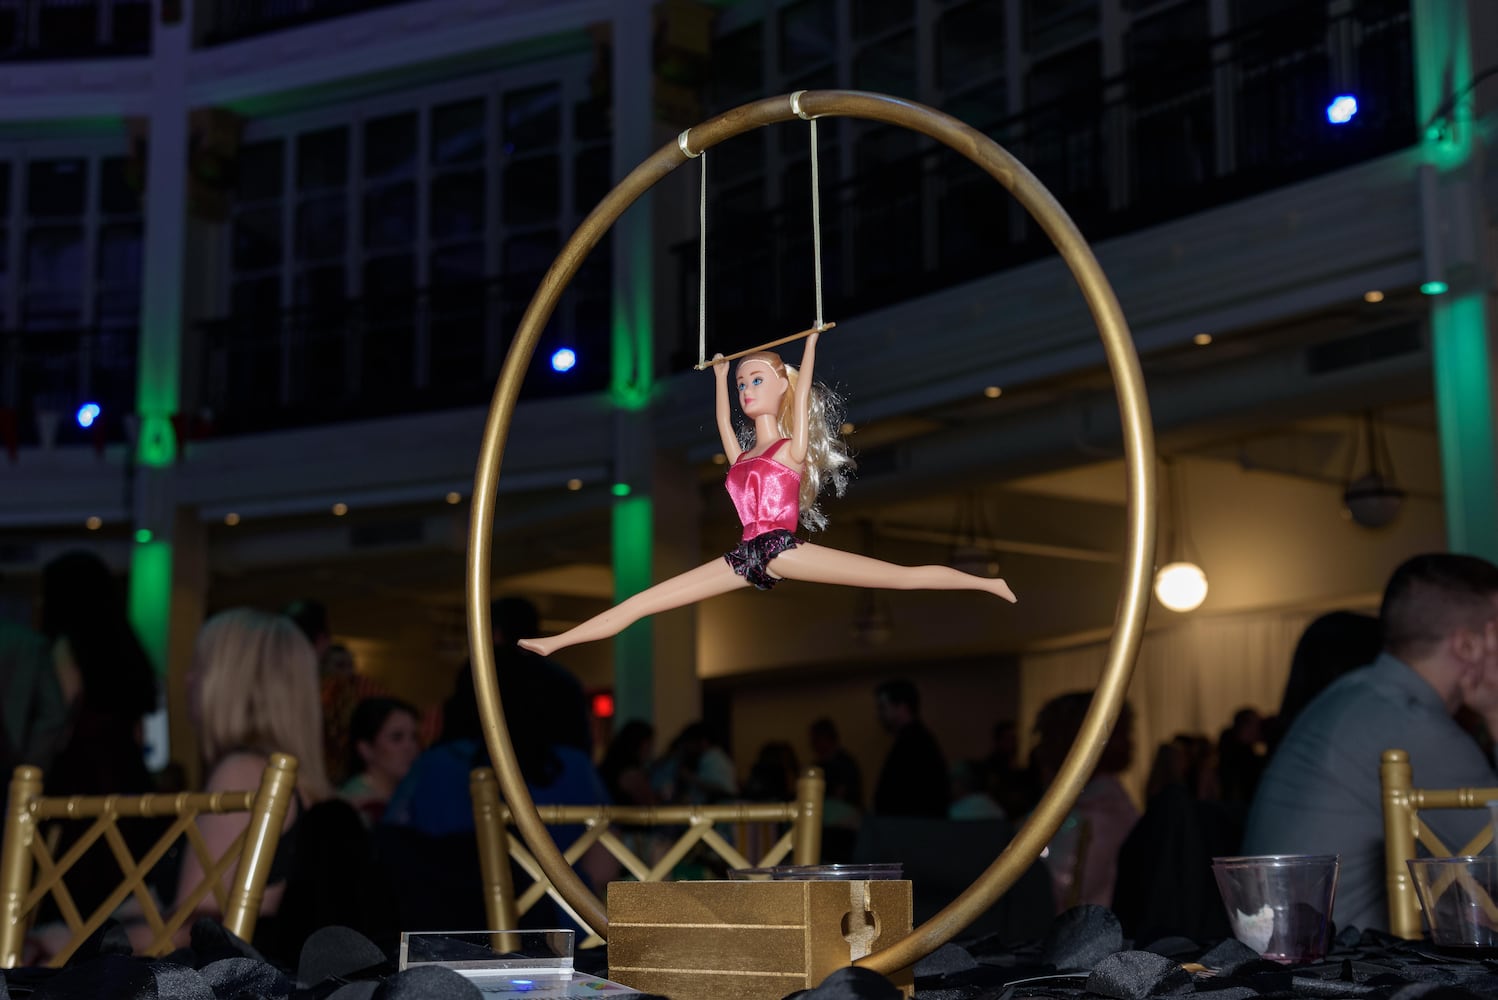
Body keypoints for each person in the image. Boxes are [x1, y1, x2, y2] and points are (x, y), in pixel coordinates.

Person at [519, 332, 1016, 656]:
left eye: (756, 380)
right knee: (644, 602)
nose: (746, 390)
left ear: (782, 384)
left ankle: (986, 584)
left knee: (898, 578)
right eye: (742, 384)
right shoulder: (740, 457)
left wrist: (812, 348)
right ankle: (559, 641)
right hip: (743, 557)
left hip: (782, 547)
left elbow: (800, 403)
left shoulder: (790, 450)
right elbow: (721, 421)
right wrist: (718, 379)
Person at [1242, 553, 1498, 932]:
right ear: (1468, 646)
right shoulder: (1410, 724)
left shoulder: (1356, 693)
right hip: (1346, 975)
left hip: (1293, 961)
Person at [872, 678, 950, 818]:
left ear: (902, 707)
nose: (879, 715)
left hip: (912, 830)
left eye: (883, 707)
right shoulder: (915, 740)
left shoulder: (914, 743)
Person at [340, 696, 422, 824]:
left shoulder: (410, 797)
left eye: (414, 737)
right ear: (366, 749)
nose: (410, 747)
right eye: (397, 738)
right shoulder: (353, 804)